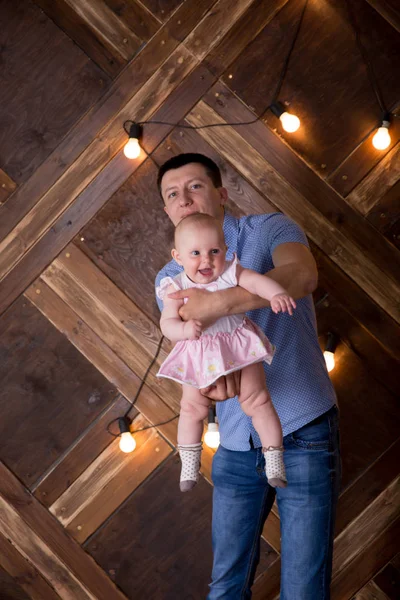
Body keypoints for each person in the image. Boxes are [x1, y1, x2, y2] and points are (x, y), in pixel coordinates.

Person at [155, 153, 341, 600]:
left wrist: (220, 302)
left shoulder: (269, 228)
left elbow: (301, 274)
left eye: (195, 186)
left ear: (221, 194)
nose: (185, 199)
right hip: (235, 441)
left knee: (303, 587)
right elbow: (194, 350)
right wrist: (212, 385)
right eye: (172, 195)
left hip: (305, 426)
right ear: (167, 212)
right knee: (226, 584)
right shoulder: (172, 274)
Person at [156, 213, 296, 491]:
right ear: (178, 257)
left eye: (214, 251)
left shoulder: (231, 272)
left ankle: (274, 459)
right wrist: (183, 331)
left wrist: (276, 294)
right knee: (191, 407)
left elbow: (256, 283)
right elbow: (167, 323)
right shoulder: (175, 286)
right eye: (195, 253)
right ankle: (189, 462)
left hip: (238, 346)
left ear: (226, 251)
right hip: (197, 353)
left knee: (258, 400)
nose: (206, 261)